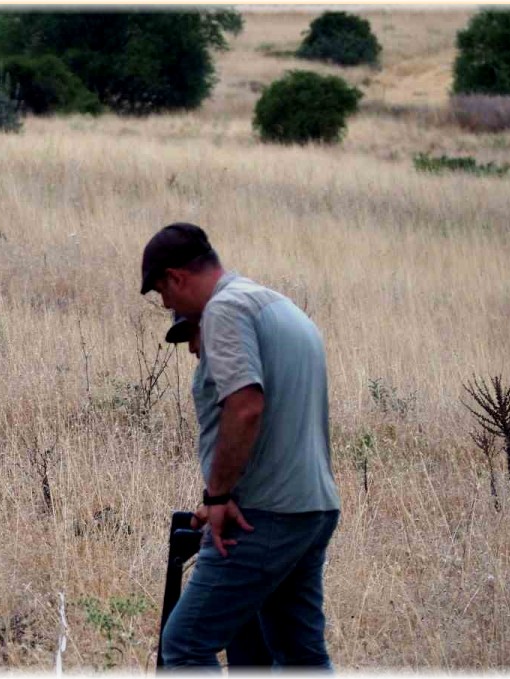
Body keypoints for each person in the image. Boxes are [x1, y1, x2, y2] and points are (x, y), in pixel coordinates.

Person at [143, 223, 341, 670]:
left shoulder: (224, 310)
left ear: (176, 277)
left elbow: (247, 407)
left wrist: (218, 497)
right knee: (298, 656)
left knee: (186, 646)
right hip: (312, 508)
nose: (167, 305)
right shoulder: (275, 305)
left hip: (264, 518)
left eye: (162, 293)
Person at [166, 313, 273, 670]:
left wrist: (218, 501)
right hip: (261, 519)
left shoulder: (243, 387)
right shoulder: (243, 375)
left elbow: (247, 442)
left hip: (256, 524)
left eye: (195, 336)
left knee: (184, 643)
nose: (193, 348)